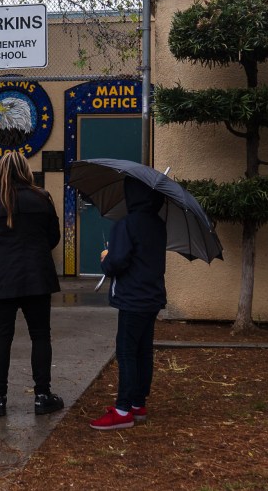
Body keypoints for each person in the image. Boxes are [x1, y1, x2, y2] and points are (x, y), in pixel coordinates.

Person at [0, 151, 63, 417]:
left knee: (1, 337)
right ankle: (42, 395)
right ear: (26, 171)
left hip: (0, 279)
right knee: (40, 335)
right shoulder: (42, 198)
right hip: (37, 277)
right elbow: (53, 237)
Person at [89, 176, 168, 431]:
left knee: (126, 352)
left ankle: (123, 410)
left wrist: (105, 257)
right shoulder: (158, 224)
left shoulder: (126, 224)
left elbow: (116, 263)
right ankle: (137, 404)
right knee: (143, 351)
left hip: (132, 299)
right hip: (152, 297)